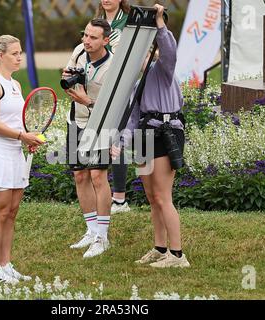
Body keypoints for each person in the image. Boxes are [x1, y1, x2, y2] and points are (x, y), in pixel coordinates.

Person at [111, 4, 190, 268]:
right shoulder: (136, 84)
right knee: (152, 197)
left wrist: (159, 24)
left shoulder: (162, 72)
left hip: (165, 133)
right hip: (144, 136)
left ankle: (177, 255)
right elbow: (132, 119)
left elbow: (169, 52)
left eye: (144, 52)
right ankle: (159, 247)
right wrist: (120, 144)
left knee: (163, 196)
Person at [0, 35, 44, 284]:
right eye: (14, 53)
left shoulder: (15, 84)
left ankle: (5, 264)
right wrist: (21, 135)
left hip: (15, 152)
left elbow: (16, 121)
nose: (19, 57)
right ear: (0, 55)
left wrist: (27, 139)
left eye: (20, 52)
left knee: (12, 213)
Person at [63, 19, 114, 258]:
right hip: (76, 121)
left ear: (106, 40)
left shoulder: (113, 65)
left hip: (100, 124)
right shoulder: (78, 51)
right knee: (80, 175)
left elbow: (113, 105)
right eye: (85, 35)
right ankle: (91, 230)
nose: (87, 41)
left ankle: (102, 237)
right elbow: (67, 80)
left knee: (97, 176)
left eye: (93, 38)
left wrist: (88, 101)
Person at [95, 0, 132, 214]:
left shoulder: (128, 21)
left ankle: (119, 198)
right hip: (99, 85)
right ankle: (103, 193)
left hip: (121, 84)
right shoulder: (97, 23)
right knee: (100, 137)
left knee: (117, 138)